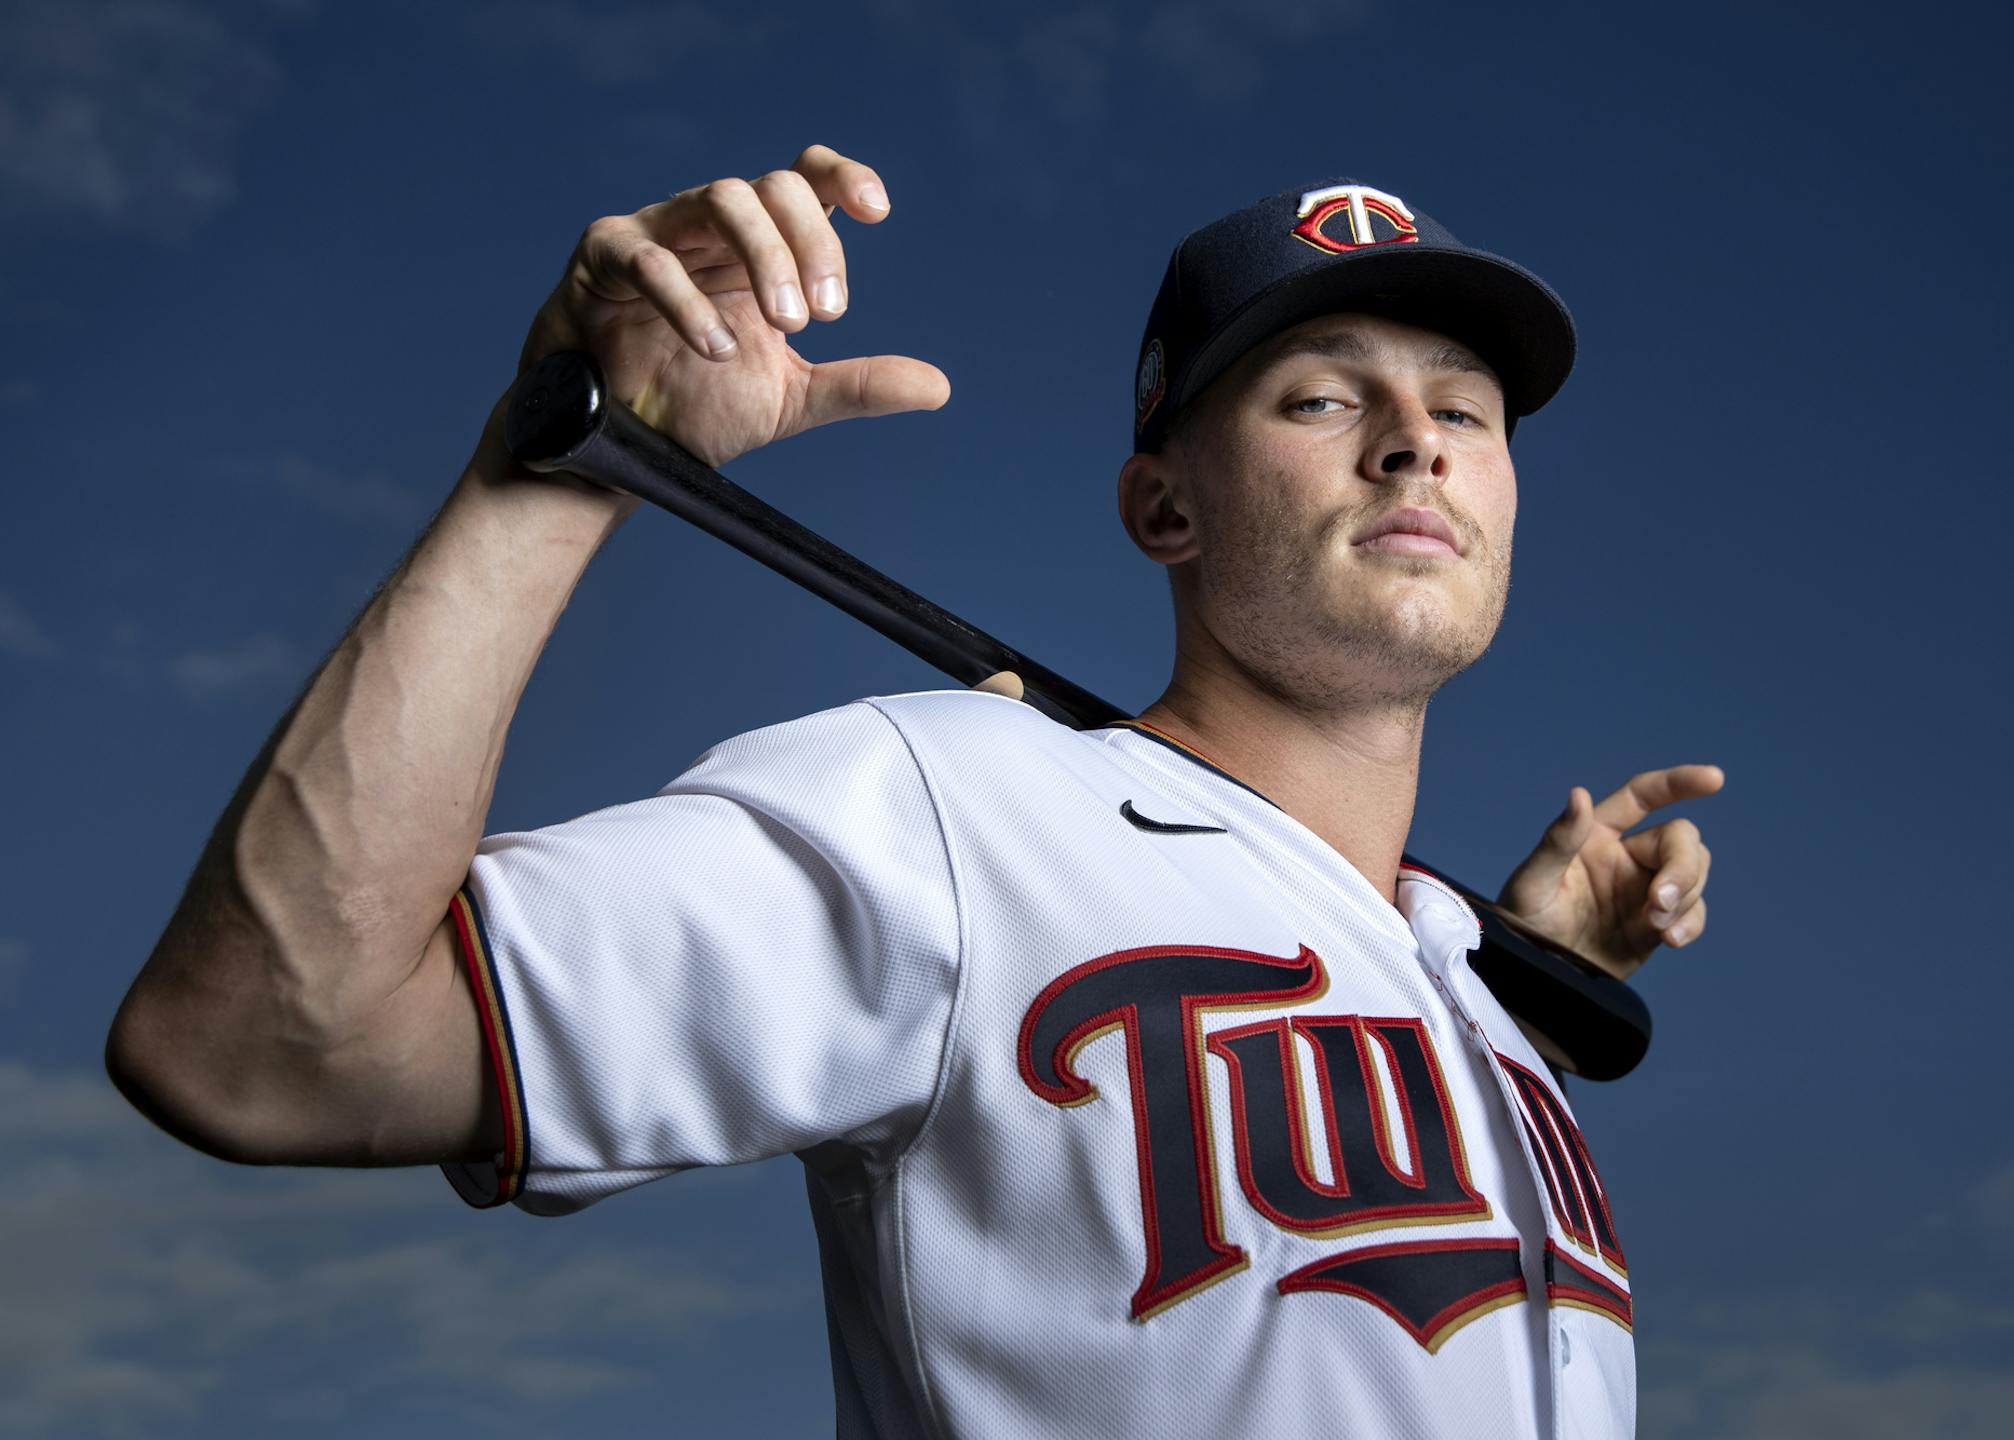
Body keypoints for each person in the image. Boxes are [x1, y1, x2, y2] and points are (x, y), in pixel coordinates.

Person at [107, 144, 1720, 1438]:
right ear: (1163, 508)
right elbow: (258, 1045)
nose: (1412, 444)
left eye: (1463, 410)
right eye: (1319, 396)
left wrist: (1523, 971)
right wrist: (545, 479)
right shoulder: (948, 812)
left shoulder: (1476, 981)